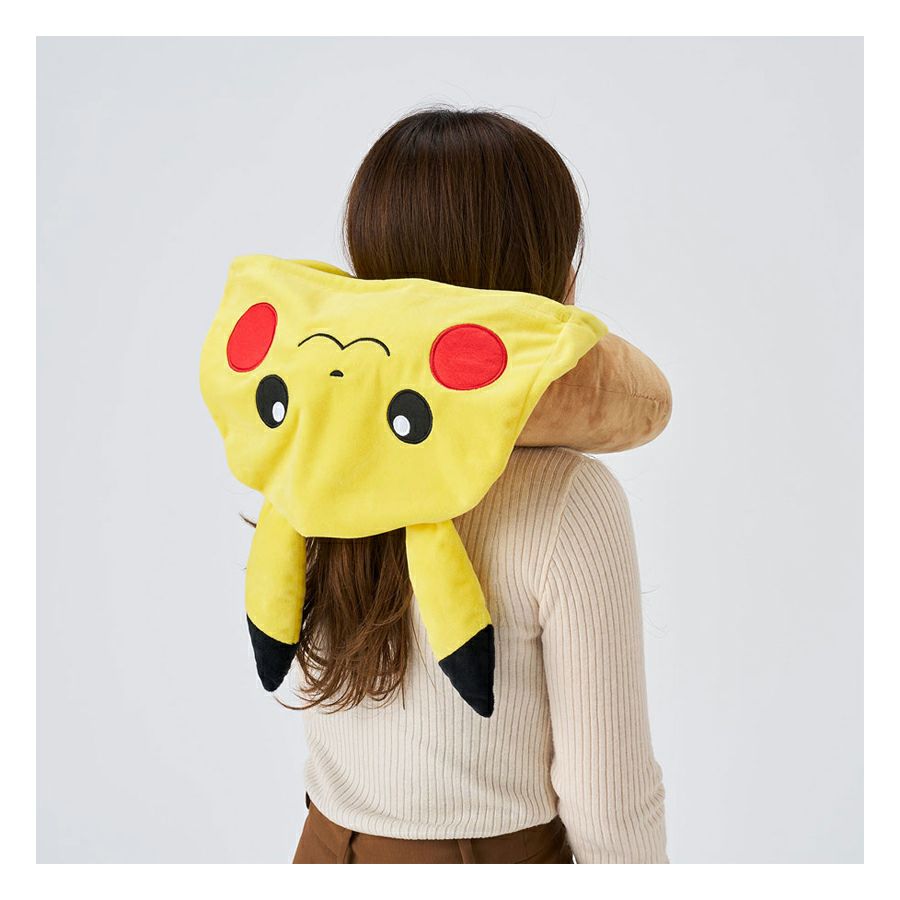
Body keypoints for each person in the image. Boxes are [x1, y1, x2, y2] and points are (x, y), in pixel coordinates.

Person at [289, 107, 668, 864]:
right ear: (553, 285)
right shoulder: (570, 499)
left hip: (323, 849)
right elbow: (609, 799)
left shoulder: (308, 456)